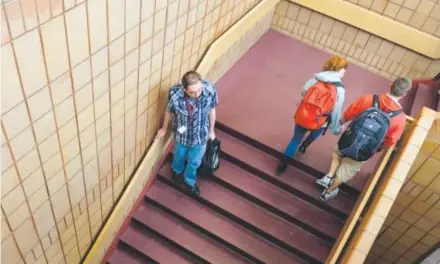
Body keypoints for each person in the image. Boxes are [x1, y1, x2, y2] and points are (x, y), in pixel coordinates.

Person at [317, 77, 412, 201]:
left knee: (337, 152)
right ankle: (328, 192)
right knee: (346, 171)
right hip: (365, 149)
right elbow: (390, 141)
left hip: (349, 139)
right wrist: (377, 149)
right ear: (404, 94)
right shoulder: (400, 118)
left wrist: (340, 123)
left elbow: (349, 113)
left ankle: (329, 176)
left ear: (390, 84)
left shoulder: (368, 98)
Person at [276, 56, 348, 175]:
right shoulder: (340, 89)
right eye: (344, 69)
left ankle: (283, 163)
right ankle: (305, 146)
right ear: (340, 70)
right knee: (316, 133)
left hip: (304, 115)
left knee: (295, 139)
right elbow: (336, 111)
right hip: (321, 120)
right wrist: (336, 128)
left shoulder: (316, 79)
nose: (344, 72)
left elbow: (304, 91)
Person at [155, 71, 218, 195]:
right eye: (192, 92)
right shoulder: (175, 94)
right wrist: (163, 128)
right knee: (179, 156)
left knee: (194, 162)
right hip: (182, 134)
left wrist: (211, 131)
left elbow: (212, 111)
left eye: (199, 90)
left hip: (200, 135)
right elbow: (169, 111)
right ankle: (177, 171)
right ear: (184, 89)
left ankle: (190, 181)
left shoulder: (210, 90)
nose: (197, 94)